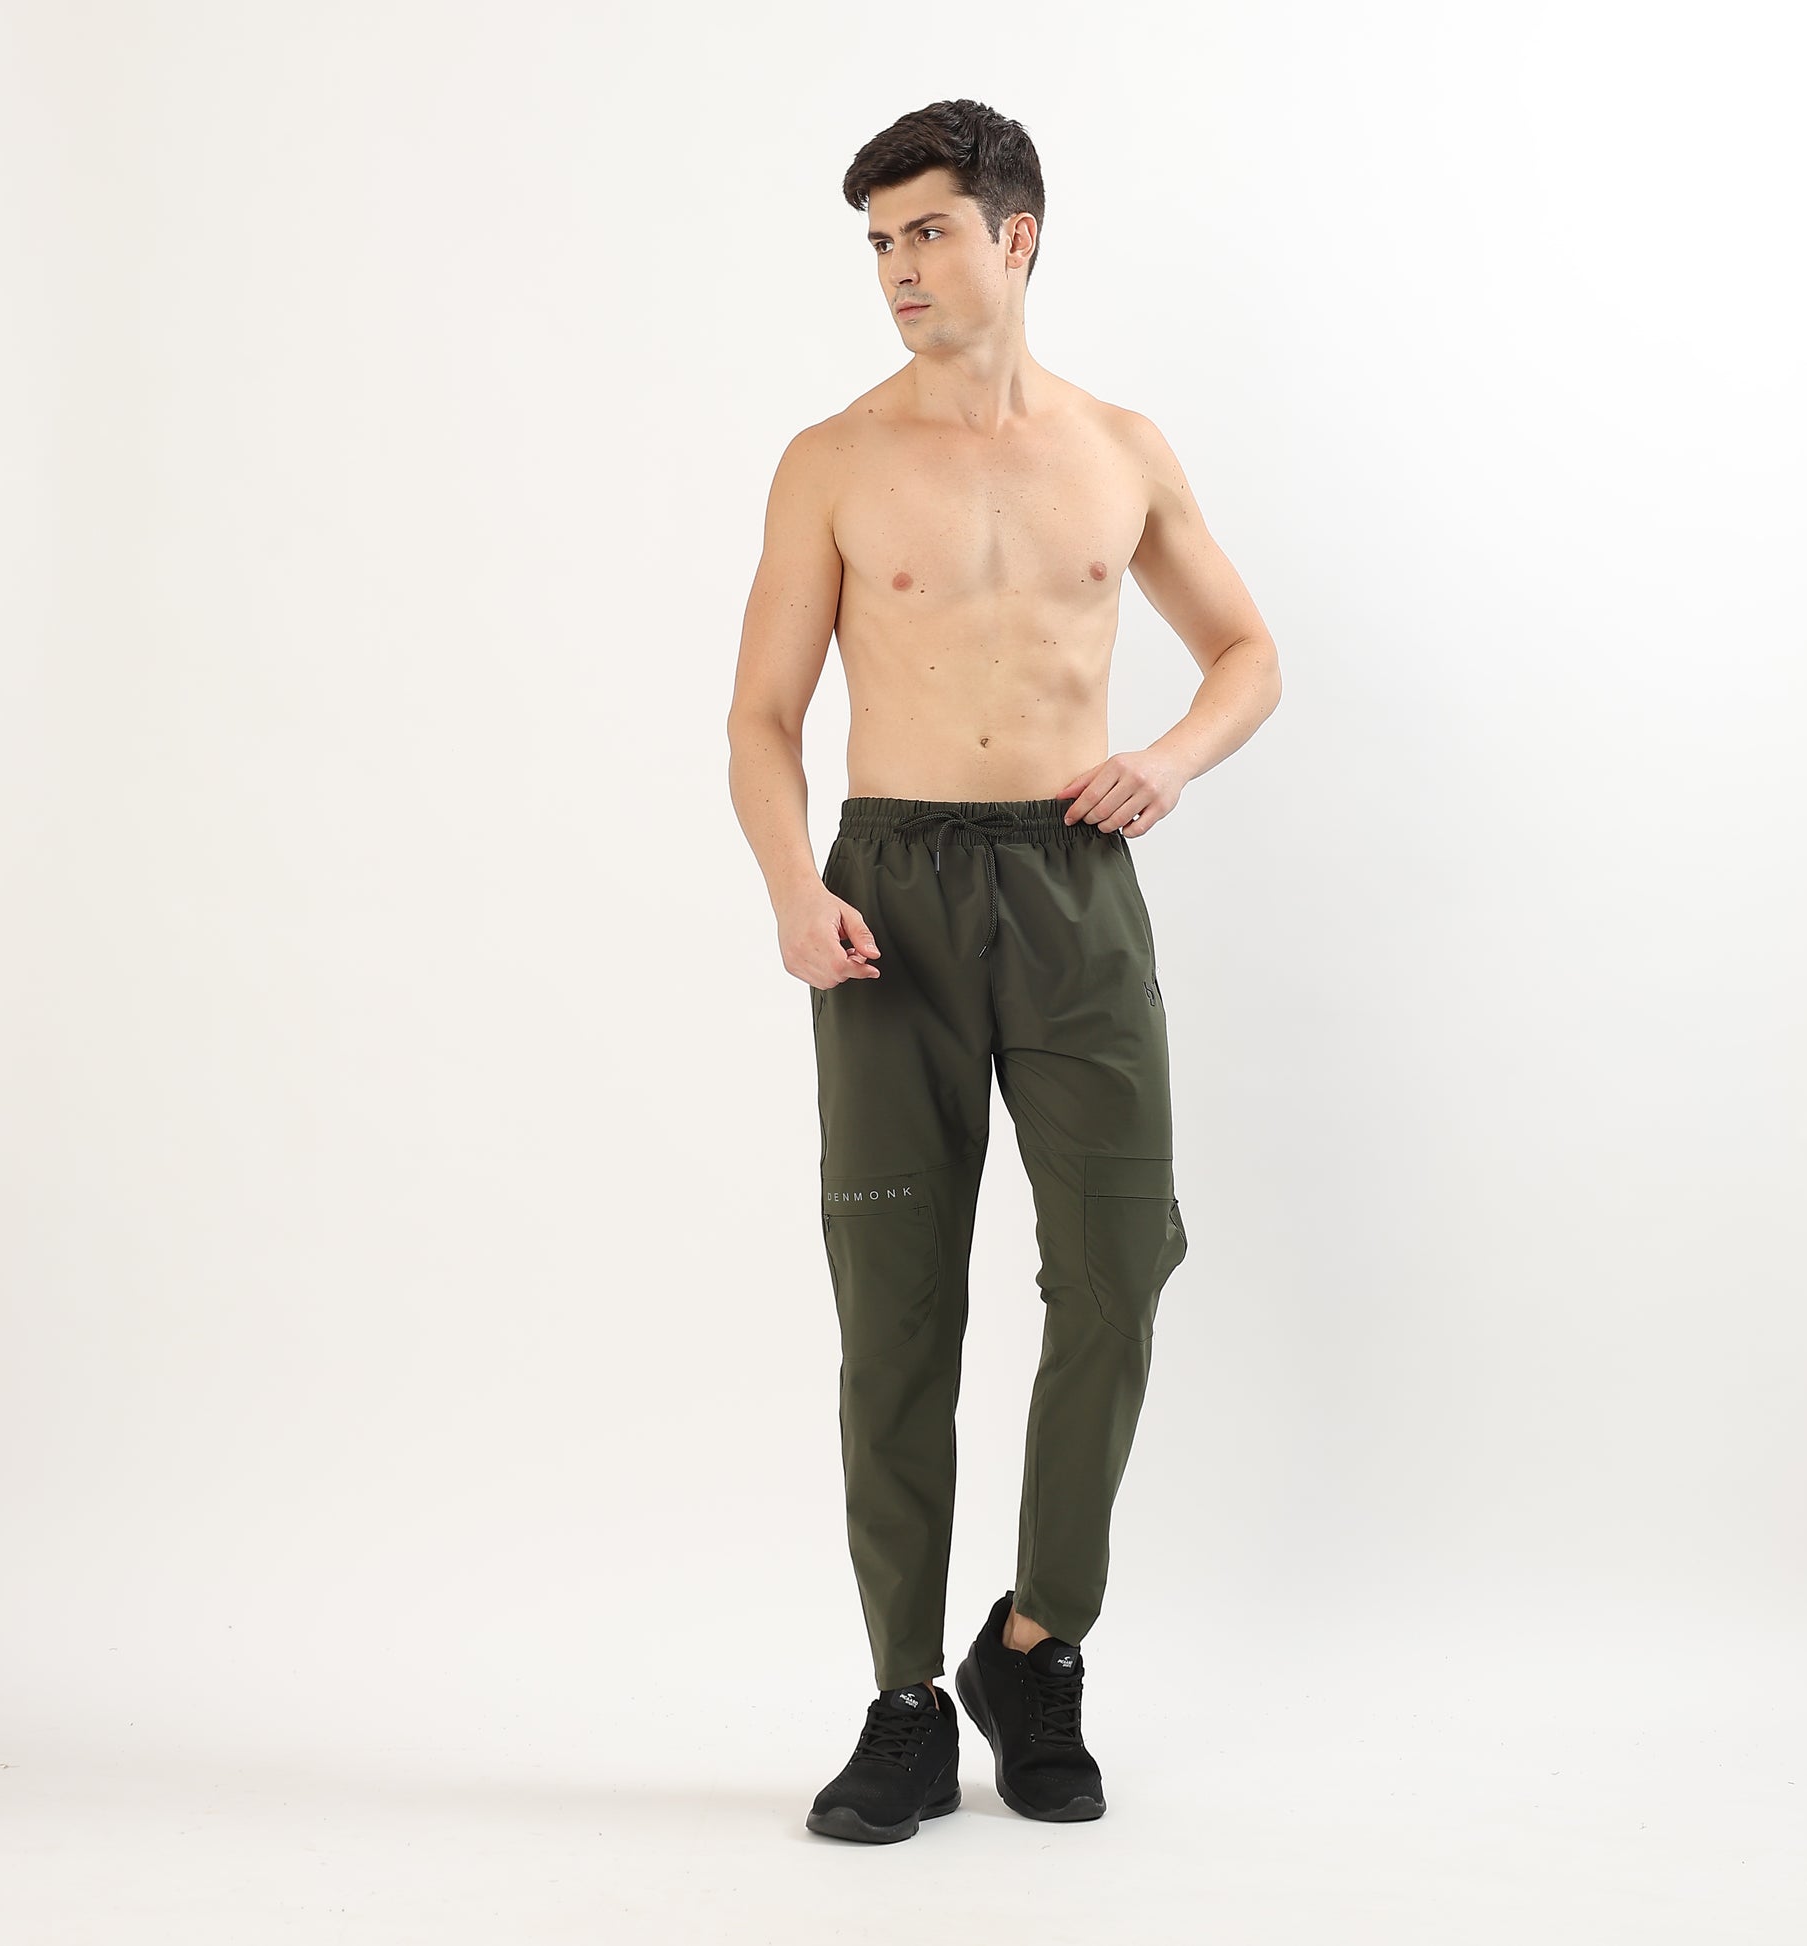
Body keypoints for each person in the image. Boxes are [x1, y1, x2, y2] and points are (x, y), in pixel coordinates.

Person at [727, 98, 1281, 1844]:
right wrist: (789, 886)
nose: (895, 268)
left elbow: (1246, 650)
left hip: (1070, 881)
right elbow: (759, 717)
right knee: (896, 1302)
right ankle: (904, 1695)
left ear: (1013, 236)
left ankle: (1033, 1646)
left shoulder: (1117, 448)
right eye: (877, 242)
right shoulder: (830, 458)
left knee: (1119, 1260)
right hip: (885, 896)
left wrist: (1168, 759)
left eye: (925, 232)